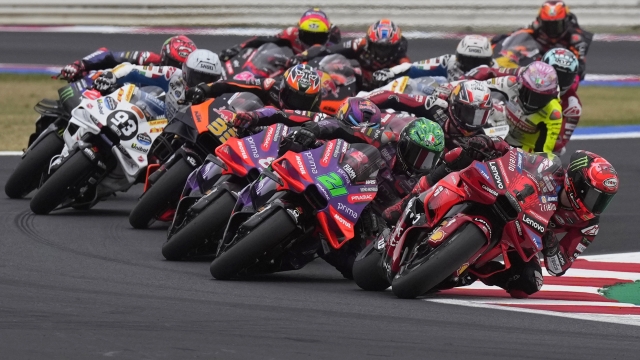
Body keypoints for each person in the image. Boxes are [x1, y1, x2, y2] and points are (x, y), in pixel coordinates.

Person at [389, 134, 619, 298]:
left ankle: (469, 269)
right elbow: (518, 157)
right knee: (464, 154)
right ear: (576, 181)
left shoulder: (588, 225)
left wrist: (548, 239)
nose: (596, 205)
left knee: (529, 284)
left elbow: (559, 266)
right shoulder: (553, 168)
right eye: (594, 196)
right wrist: (491, 144)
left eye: (603, 200)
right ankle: (412, 199)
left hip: (526, 234)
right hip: (508, 198)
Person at [363, 80, 499, 150]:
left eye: (480, 115)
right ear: (454, 106)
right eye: (468, 113)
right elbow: (392, 97)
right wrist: (362, 104)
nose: (472, 123)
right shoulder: (435, 106)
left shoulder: (481, 140)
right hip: (401, 151)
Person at [93, 49, 224, 120]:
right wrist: (111, 77)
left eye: (208, 79)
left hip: (186, 138)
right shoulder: (173, 74)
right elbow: (132, 70)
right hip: (163, 119)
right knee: (132, 92)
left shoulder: (219, 97)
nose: (201, 84)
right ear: (185, 72)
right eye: (197, 77)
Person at [287, 19, 410, 89]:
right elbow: (326, 49)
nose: (382, 52)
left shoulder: (403, 62)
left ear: (396, 46)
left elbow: (408, 85)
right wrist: (302, 56)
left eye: (386, 48)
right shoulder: (360, 45)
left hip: (385, 94)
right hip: (358, 90)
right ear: (369, 42)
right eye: (378, 47)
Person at [492, 1, 592, 79]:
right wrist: (493, 43)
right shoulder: (535, 28)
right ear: (540, 21)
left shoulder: (576, 38)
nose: (552, 30)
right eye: (547, 25)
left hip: (557, 74)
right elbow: (514, 35)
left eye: (557, 25)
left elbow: (580, 70)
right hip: (533, 65)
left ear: (566, 22)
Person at [186, 64, 323, 112]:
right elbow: (235, 84)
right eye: (293, 96)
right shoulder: (270, 86)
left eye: (303, 101)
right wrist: (206, 88)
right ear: (282, 88)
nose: (296, 104)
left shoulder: (316, 115)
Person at [218, 8, 341, 61]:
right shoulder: (291, 33)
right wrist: (239, 47)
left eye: (318, 37)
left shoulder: (334, 37)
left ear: (328, 35)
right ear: (299, 32)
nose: (312, 42)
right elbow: (264, 39)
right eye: (308, 36)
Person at [59, 35, 197, 81]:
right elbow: (108, 55)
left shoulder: (191, 82)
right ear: (164, 56)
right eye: (173, 63)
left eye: (181, 66)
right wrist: (80, 64)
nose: (175, 69)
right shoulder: (148, 58)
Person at [372, 35, 494, 86]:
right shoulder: (448, 61)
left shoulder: (497, 70)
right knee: (434, 81)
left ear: (489, 61)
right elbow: (416, 67)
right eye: (467, 60)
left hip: (483, 109)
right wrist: (390, 72)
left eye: (478, 62)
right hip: (450, 106)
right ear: (458, 57)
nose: (473, 67)